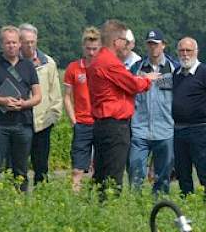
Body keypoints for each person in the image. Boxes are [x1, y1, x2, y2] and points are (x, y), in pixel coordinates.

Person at [86, 20, 158, 193]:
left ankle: (95, 207)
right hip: (115, 125)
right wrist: (148, 79)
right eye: (125, 40)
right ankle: (108, 208)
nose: (126, 45)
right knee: (114, 173)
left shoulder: (97, 60)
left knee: (101, 172)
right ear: (116, 41)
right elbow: (133, 85)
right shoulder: (110, 62)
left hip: (102, 123)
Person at [0, 25, 42, 190]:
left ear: (20, 43)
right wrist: (2, 101)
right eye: (7, 43)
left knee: (21, 168)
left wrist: (24, 104)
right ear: (1, 44)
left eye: (14, 42)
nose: (11, 46)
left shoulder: (28, 66)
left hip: (22, 122)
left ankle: (20, 200)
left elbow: (38, 96)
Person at [129, 29, 178, 195]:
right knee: (136, 169)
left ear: (163, 45)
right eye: (150, 44)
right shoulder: (136, 68)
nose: (153, 48)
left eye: (156, 44)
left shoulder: (174, 68)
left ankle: (160, 204)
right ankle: (136, 204)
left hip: (165, 129)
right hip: (140, 129)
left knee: (163, 175)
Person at [172, 37, 206, 194]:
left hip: (200, 129)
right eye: (181, 50)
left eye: (188, 50)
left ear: (196, 52)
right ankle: (186, 202)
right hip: (178, 130)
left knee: (205, 169)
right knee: (182, 171)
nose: (185, 54)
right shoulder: (176, 74)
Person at [20, 23, 63, 185]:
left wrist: (53, 116)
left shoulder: (48, 63)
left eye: (32, 41)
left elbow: (56, 93)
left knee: (41, 163)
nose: (30, 45)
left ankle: (41, 192)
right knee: (19, 162)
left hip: (42, 120)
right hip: (19, 119)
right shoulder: (13, 62)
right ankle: (18, 192)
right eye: (26, 42)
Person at [63, 27, 101, 192]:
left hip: (101, 121)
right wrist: (73, 121)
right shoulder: (73, 68)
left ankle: (97, 198)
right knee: (78, 168)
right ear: (83, 47)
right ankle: (75, 199)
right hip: (82, 122)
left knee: (100, 166)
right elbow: (67, 97)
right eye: (88, 49)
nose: (91, 53)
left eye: (95, 49)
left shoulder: (104, 67)